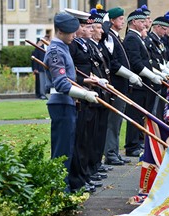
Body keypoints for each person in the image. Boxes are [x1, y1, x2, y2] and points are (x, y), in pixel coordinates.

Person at [43, 12, 98, 192]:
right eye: (71, 32)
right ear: (60, 31)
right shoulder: (55, 51)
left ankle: (64, 187)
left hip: (67, 103)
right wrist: (85, 94)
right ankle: (60, 190)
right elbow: (60, 83)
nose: (74, 35)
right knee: (62, 151)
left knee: (68, 149)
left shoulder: (64, 47)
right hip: (60, 103)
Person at [104, 6, 142, 165]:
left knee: (118, 121)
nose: (122, 21)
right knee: (113, 122)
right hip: (117, 85)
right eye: (120, 19)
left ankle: (114, 151)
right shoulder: (110, 37)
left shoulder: (116, 37)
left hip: (122, 86)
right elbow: (114, 64)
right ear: (112, 21)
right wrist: (130, 75)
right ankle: (110, 153)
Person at [123, 9, 163, 158]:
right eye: (141, 21)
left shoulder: (138, 37)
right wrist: (152, 76)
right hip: (137, 85)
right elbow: (136, 62)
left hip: (143, 83)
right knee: (134, 116)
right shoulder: (132, 38)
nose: (145, 23)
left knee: (140, 116)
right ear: (133, 22)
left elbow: (147, 61)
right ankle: (132, 146)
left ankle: (138, 142)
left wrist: (154, 74)